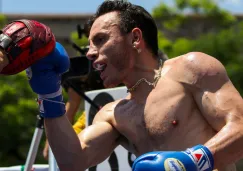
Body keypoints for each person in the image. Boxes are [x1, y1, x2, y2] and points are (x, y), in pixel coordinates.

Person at [27, 0, 243, 171]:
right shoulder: (114, 113)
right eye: (90, 45)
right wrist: (49, 95)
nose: (91, 53)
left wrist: (190, 162)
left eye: (101, 40)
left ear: (135, 38)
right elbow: (72, 162)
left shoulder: (190, 69)